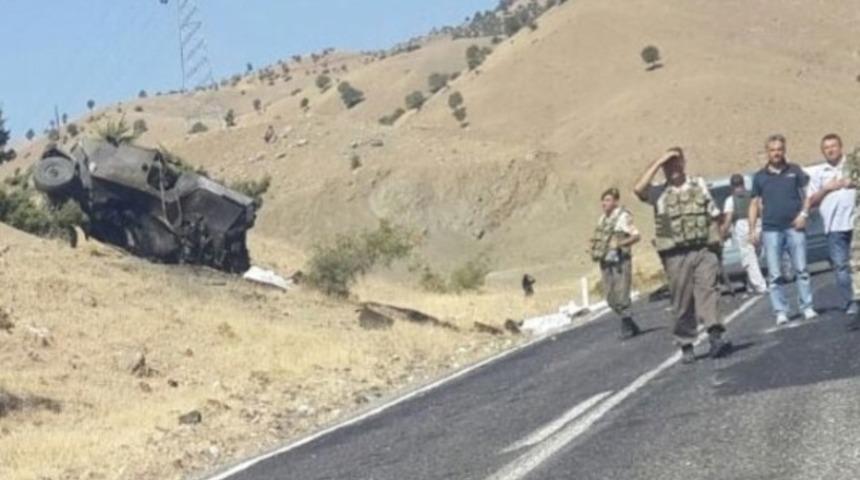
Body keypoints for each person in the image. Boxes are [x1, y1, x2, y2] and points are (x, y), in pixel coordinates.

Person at [634, 147, 731, 363]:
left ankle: (715, 336)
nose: (673, 168)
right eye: (668, 165)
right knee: (682, 302)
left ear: (683, 163)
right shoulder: (659, 193)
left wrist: (719, 240)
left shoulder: (698, 185)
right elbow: (638, 189)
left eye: (676, 162)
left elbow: (713, 214)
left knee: (708, 291)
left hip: (703, 250)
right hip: (675, 256)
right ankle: (686, 342)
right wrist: (659, 161)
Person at [749, 134, 816, 326]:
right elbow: (754, 203)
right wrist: (753, 229)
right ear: (767, 152)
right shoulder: (759, 177)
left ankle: (807, 307)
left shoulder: (795, 170)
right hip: (771, 229)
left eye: (779, 149)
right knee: (775, 273)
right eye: (772, 150)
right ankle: (781, 311)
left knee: (802, 269)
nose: (776, 153)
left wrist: (803, 215)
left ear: (784, 150)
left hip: (794, 226)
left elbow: (807, 195)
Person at [808, 133, 857, 315]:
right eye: (826, 148)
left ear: (840, 147)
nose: (830, 150)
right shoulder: (819, 173)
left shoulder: (852, 165)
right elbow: (811, 201)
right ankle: (851, 301)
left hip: (855, 222)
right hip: (834, 227)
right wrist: (826, 188)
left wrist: (852, 183)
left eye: (833, 146)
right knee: (841, 266)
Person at [589, 187, 642, 340]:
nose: (604, 203)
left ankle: (626, 325)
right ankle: (630, 322)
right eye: (603, 200)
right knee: (610, 297)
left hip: (620, 260)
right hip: (605, 261)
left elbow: (636, 236)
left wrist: (620, 243)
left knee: (622, 294)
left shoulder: (623, 217)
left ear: (615, 201)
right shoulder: (602, 219)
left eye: (608, 200)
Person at [721, 174, 767, 294]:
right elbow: (761, 209)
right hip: (758, 224)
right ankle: (752, 284)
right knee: (756, 255)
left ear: (731, 186)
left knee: (749, 258)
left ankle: (760, 286)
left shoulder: (731, 200)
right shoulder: (753, 195)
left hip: (743, 227)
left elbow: (728, 218)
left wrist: (723, 232)